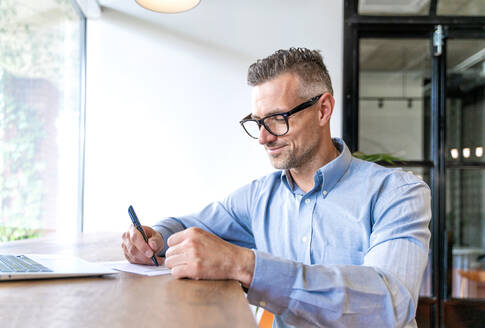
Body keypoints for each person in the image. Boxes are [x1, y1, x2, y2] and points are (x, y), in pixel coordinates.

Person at [121, 48, 431, 328]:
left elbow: (390, 303)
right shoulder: (258, 198)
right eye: (258, 122)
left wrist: (245, 265)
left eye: (278, 119)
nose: (263, 138)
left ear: (323, 110)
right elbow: (187, 226)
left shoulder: (398, 192)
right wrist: (155, 237)